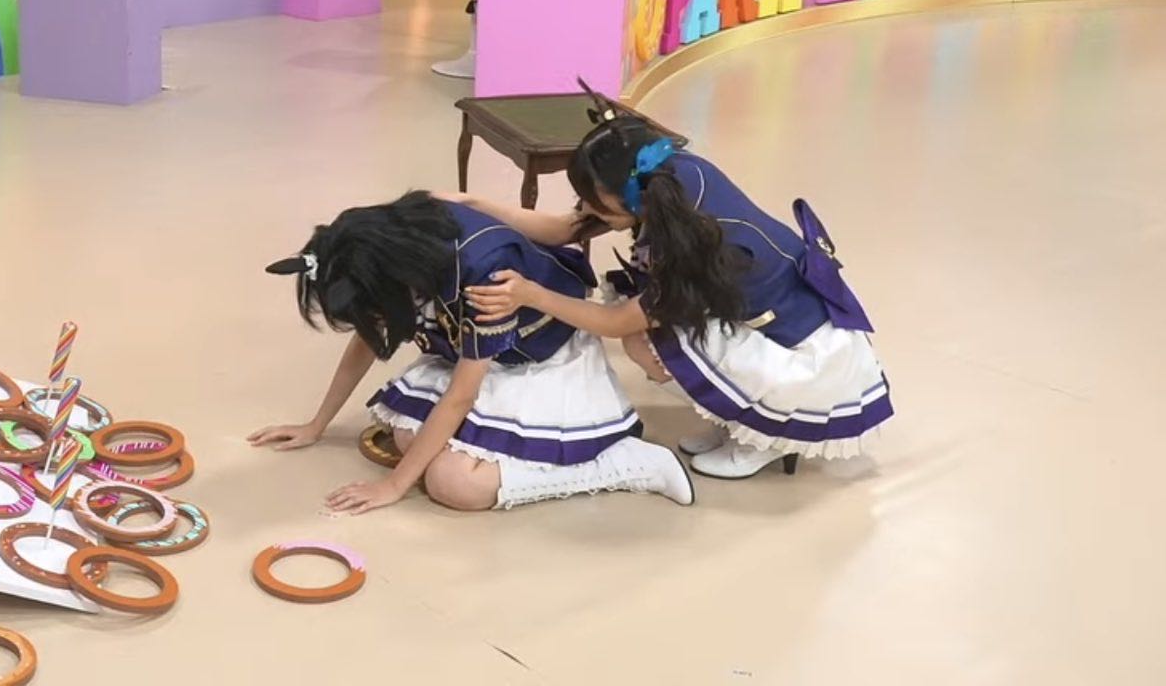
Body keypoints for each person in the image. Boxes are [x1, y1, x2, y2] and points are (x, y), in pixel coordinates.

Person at [461, 108, 892, 480]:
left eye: (595, 201)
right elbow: (562, 229)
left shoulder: (694, 239)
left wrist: (532, 295)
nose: (587, 209)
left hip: (807, 356)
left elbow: (617, 323)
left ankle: (765, 437)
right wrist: (476, 205)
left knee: (648, 342)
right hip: (771, 320)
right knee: (651, 334)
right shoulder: (670, 178)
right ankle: (738, 420)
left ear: (628, 196)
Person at [249, 191, 693, 514]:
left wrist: (393, 487)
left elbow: (462, 395)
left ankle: (624, 463)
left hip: (543, 360)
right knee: (409, 440)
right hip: (483, 355)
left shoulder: (486, 275)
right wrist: (316, 425)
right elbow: (368, 333)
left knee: (453, 484)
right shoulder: (381, 244)